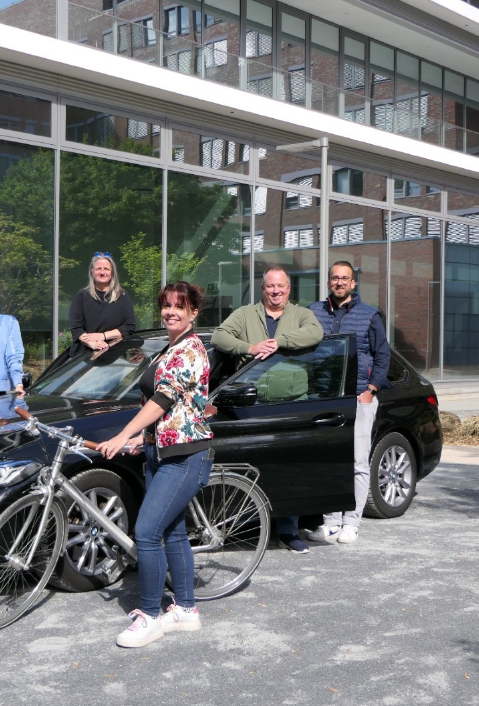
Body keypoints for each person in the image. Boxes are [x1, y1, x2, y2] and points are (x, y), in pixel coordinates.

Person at [99, 281, 213, 648]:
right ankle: (186, 611)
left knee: (147, 533)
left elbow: (162, 401)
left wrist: (121, 435)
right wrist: (140, 439)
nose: (171, 312)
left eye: (179, 306)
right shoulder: (170, 348)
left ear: (194, 312)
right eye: (166, 306)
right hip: (161, 453)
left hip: (184, 457)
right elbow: (167, 410)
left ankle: (149, 615)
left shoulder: (190, 350)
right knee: (173, 534)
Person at [210, 265, 324, 554]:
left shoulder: (301, 315)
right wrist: (250, 347)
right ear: (263, 289)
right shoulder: (246, 314)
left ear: (289, 289)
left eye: (281, 287)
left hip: (291, 405)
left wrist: (280, 343)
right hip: (252, 403)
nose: (276, 291)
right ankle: (248, 526)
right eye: (270, 286)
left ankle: (288, 530)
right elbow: (219, 337)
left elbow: (316, 333)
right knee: (253, 466)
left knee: (289, 467)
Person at [303, 260, 390, 545]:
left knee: (357, 463)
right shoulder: (314, 312)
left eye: (345, 279)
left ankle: (352, 522)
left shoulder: (370, 315)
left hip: (359, 397)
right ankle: (330, 523)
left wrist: (372, 388)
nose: (339, 282)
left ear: (353, 283)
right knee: (329, 460)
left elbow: (382, 355)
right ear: (329, 282)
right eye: (335, 278)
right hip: (326, 398)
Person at [68, 252, 137, 355]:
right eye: (98, 269)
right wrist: (92, 344)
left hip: (113, 355)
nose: (102, 272)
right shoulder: (82, 296)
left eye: (106, 269)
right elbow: (76, 328)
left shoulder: (122, 296)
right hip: (84, 356)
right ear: (92, 272)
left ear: (112, 273)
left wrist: (103, 336)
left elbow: (129, 326)